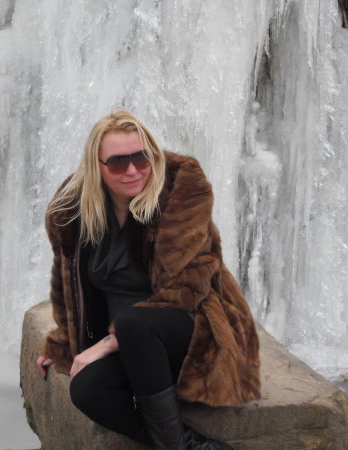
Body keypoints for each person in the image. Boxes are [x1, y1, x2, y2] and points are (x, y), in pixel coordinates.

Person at [36, 109, 260, 450]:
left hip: (190, 329)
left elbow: (187, 290)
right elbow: (68, 282)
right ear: (97, 165)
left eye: (141, 158)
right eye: (117, 162)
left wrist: (106, 344)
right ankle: (190, 445)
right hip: (132, 345)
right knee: (86, 389)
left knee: (134, 322)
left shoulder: (180, 192)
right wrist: (65, 342)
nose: (132, 171)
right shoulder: (75, 210)